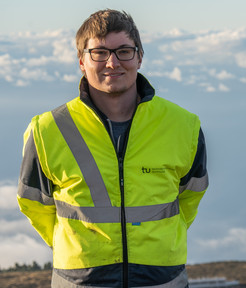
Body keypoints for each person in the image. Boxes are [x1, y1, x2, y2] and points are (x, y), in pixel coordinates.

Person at [17, 9, 208, 288]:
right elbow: (34, 202)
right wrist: (75, 248)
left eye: (123, 51)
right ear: (82, 61)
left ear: (139, 57)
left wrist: (160, 241)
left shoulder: (183, 126)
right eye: (99, 53)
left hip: (162, 279)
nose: (112, 62)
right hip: (79, 280)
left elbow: (191, 195)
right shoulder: (47, 130)